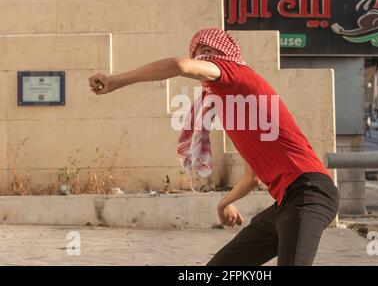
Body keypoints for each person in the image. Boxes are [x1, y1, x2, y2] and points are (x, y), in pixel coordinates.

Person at [88, 28, 339, 266]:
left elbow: (179, 65)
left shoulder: (236, 72)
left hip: (310, 193)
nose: (203, 56)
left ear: (225, 54)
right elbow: (252, 177)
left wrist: (116, 81)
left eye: (209, 50)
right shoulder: (236, 109)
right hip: (286, 204)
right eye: (198, 51)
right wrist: (224, 204)